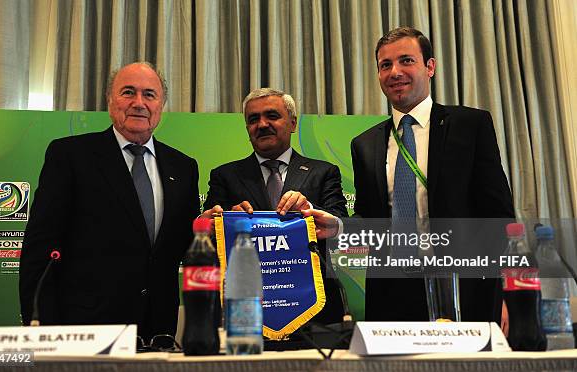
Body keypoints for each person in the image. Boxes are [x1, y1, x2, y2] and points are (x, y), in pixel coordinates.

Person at [19, 62, 200, 343]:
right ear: (110, 100)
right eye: (128, 92)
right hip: (85, 330)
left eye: (149, 95)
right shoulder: (70, 156)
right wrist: (40, 325)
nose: (139, 103)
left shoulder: (184, 167)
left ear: (161, 105)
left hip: (158, 330)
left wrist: (216, 228)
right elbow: (40, 249)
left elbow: (187, 246)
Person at [350, 27, 514, 322]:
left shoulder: (470, 125)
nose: (395, 72)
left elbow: (497, 213)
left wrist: (502, 293)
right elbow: (368, 220)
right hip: (391, 296)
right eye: (385, 65)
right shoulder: (364, 144)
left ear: (430, 67)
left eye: (406, 61)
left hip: (463, 289)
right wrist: (336, 225)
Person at [202, 88, 348, 325]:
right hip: (246, 311)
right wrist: (221, 222)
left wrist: (309, 209)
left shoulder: (324, 172)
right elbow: (207, 233)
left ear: (292, 123)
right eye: (253, 119)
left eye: (272, 116)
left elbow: (342, 226)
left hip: (314, 310)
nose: (262, 124)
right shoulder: (225, 176)